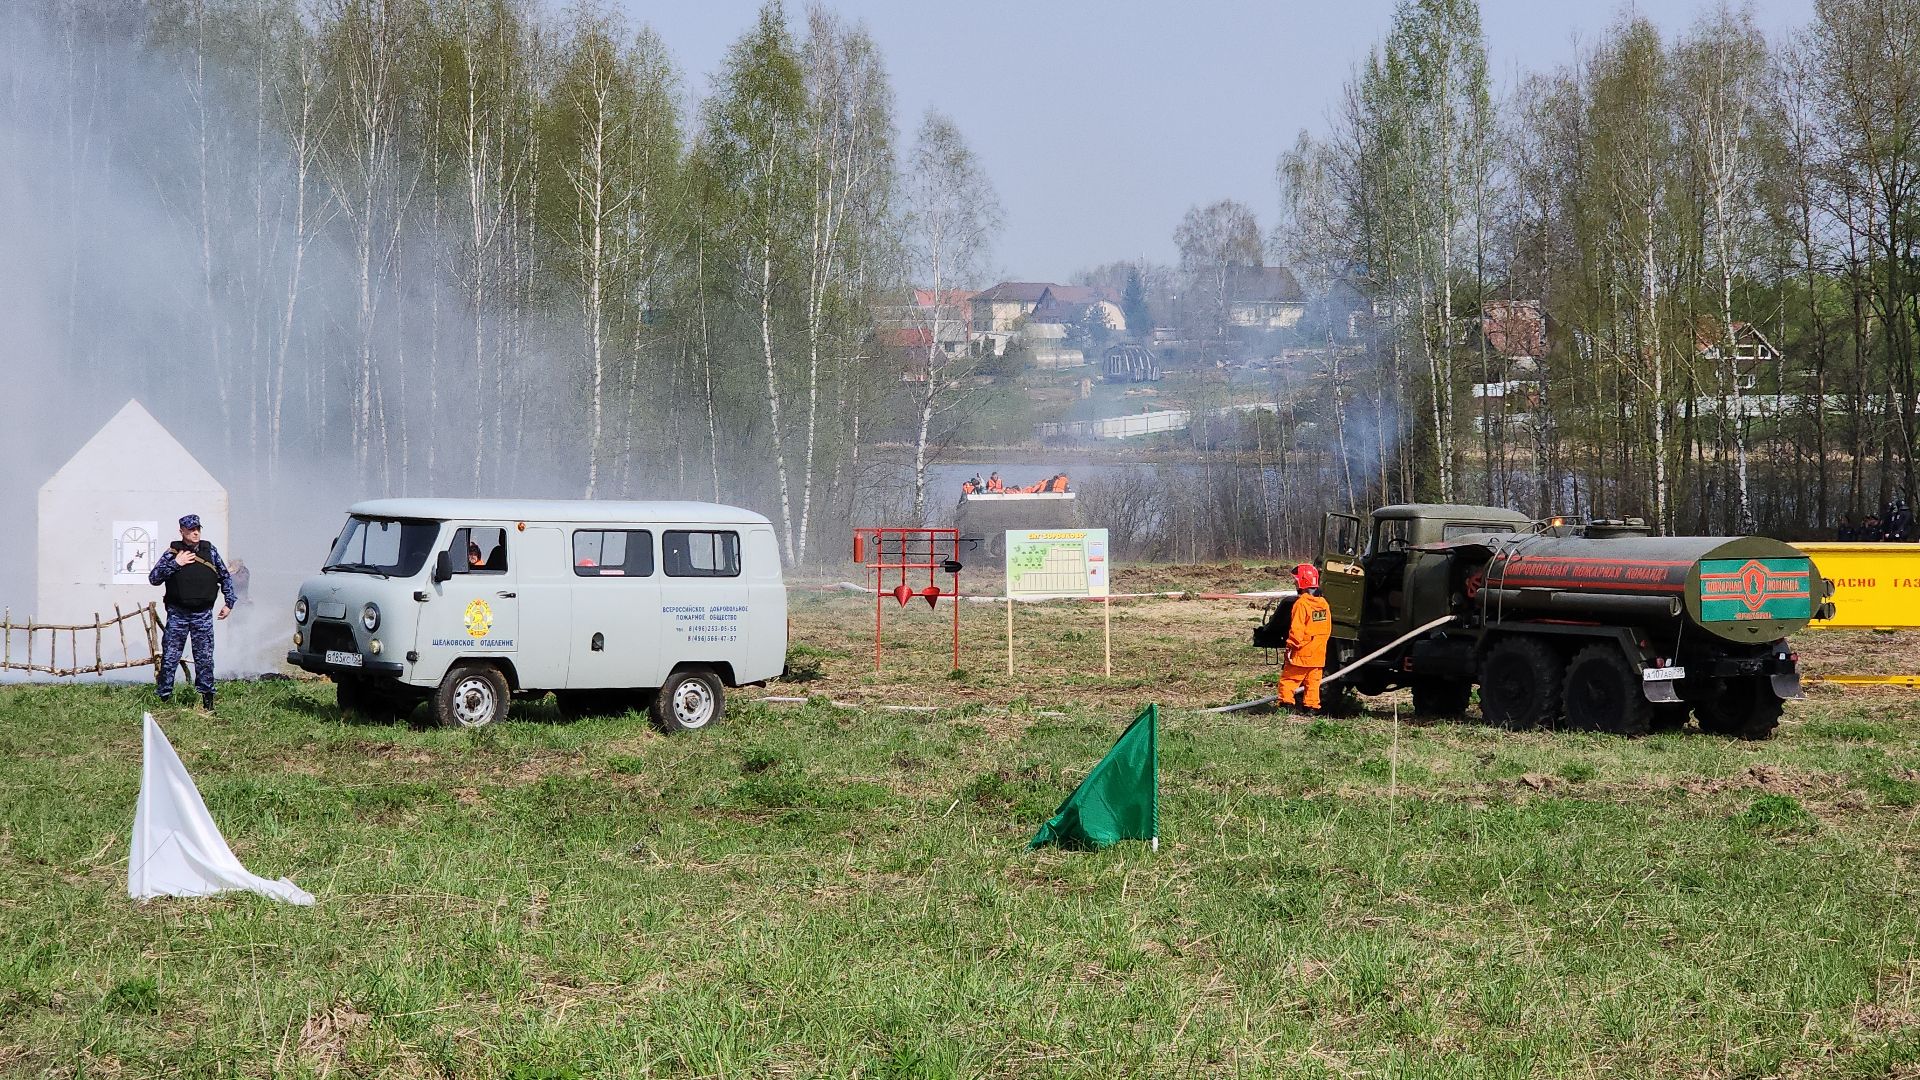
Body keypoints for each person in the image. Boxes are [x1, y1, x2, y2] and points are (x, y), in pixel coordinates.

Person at [147, 513, 235, 712]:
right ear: (182, 532)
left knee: (204, 657)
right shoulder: (172, 553)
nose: (195, 533)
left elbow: (225, 577)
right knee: (170, 656)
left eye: (198, 529)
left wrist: (229, 602)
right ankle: (164, 698)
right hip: (178, 613)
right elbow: (154, 578)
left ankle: (207, 700)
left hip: (202, 614)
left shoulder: (209, 551)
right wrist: (176, 563)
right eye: (190, 529)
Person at [1279, 563, 1332, 711]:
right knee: (1313, 684)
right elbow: (1327, 630)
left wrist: (1290, 648)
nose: (1294, 583)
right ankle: (1312, 708)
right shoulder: (1324, 604)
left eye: (1296, 580)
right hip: (1318, 654)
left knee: (1289, 680)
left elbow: (1297, 630)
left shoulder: (1301, 604)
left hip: (1301, 654)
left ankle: (1286, 706)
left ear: (1302, 582)